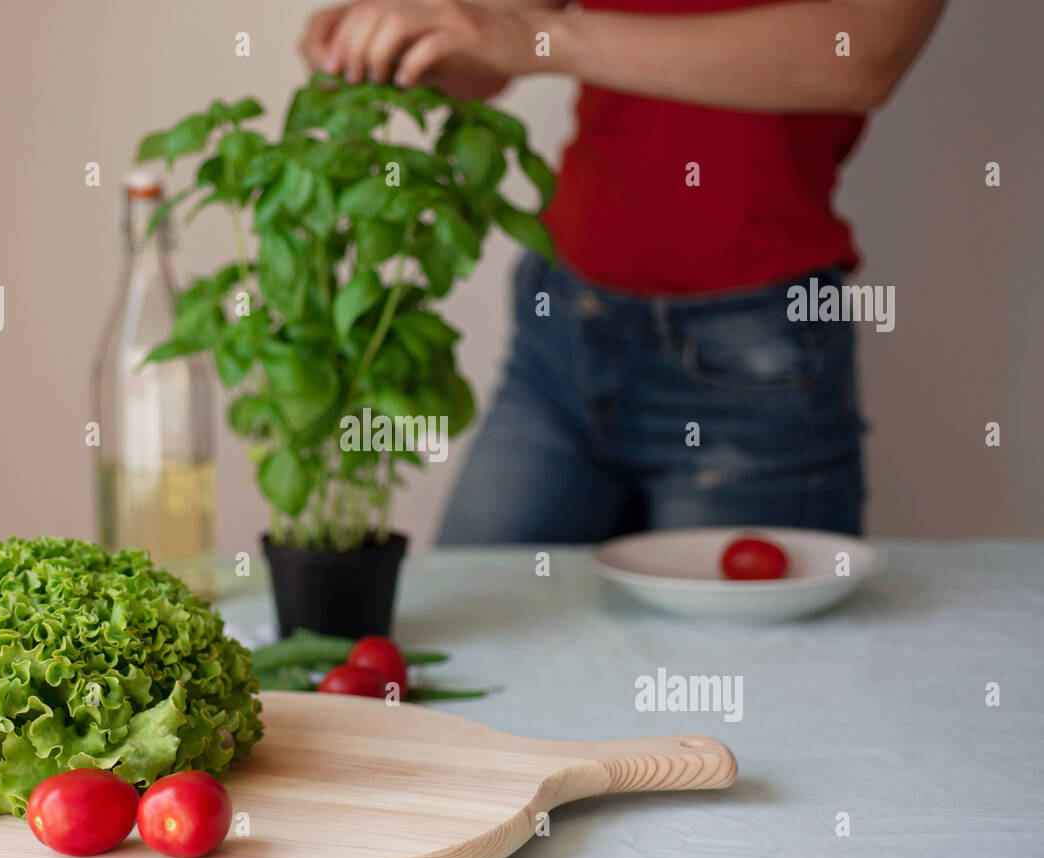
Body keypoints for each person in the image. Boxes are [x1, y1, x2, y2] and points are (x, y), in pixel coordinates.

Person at [301, 0, 946, 544]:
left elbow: (859, 54)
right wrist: (406, 35)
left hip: (756, 359)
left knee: (743, 685)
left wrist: (532, 38)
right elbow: (500, 40)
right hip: (563, 328)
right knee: (470, 656)